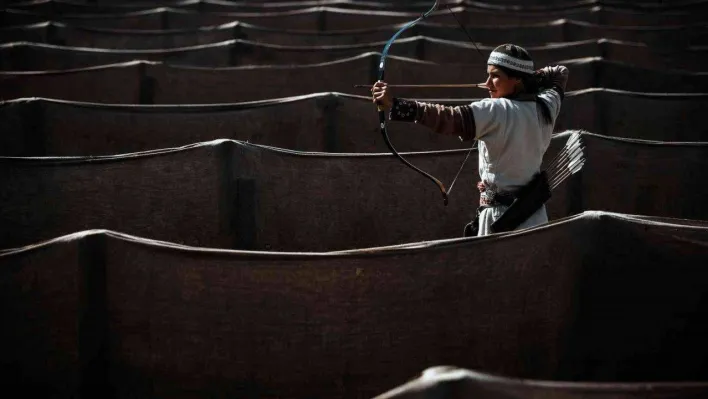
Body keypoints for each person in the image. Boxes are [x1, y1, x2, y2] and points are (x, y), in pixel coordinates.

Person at [371, 44, 569, 236]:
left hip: (501, 221)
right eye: (488, 75)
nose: (488, 83)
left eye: (496, 76)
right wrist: (529, 79)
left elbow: (448, 118)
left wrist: (395, 104)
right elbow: (560, 72)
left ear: (516, 79)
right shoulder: (547, 105)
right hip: (535, 218)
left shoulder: (497, 110)